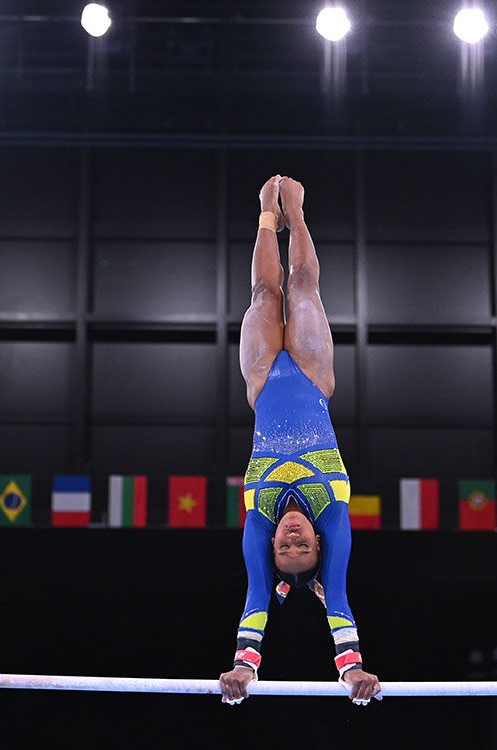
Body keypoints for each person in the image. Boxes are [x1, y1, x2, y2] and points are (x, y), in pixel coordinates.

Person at [218, 175, 382, 706]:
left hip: (263, 379)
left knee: (265, 293)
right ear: (317, 543)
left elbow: (256, 595)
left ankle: (268, 213)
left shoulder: (259, 518)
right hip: (312, 378)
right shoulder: (333, 512)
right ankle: (301, 214)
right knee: (303, 287)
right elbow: (336, 597)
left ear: (271, 545)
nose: (290, 537)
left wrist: (245, 668)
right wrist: (351, 671)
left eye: (283, 546)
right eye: (301, 545)